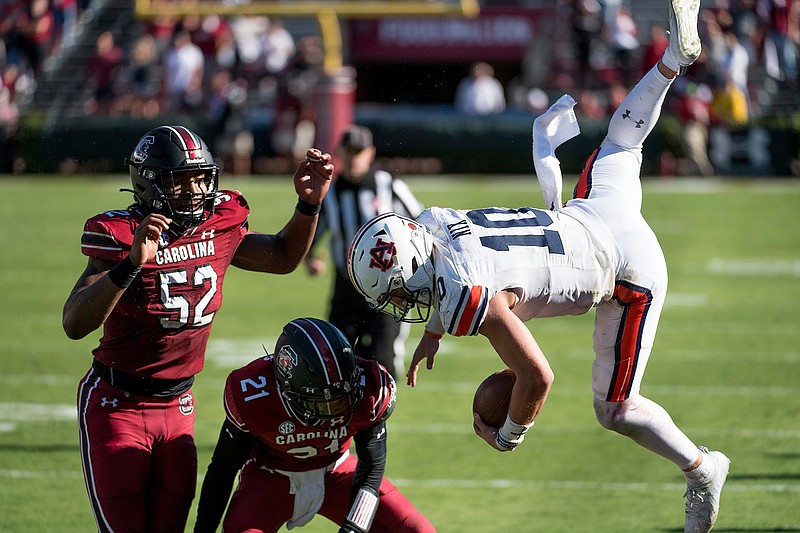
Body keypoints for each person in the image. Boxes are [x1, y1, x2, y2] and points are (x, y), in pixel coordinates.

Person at [347, 2, 730, 532]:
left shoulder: (461, 294)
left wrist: (509, 434)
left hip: (626, 272)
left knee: (615, 409)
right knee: (623, 140)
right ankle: (670, 62)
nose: (404, 304)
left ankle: (702, 468)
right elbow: (457, 266)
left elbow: (537, 376)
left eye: (399, 292)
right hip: (594, 209)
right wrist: (434, 332)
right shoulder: (432, 222)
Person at [63, 125, 332, 532]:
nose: (193, 190)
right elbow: (74, 323)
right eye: (179, 181)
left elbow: (280, 256)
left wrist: (308, 206)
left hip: (179, 405)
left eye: (199, 178)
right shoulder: (121, 234)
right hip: (116, 403)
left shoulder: (220, 220)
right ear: (149, 183)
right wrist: (130, 263)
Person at [193, 318, 436, 533]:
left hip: (338, 471)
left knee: (419, 529)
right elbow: (222, 470)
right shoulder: (254, 397)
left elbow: (371, 469)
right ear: (287, 391)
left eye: (342, 399)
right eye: (322, 405)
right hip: (270, 478)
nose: (335, 412)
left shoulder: (370, 387)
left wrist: (354, 528)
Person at [305, 125, 423, 378]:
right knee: (338, 362)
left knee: (383, 361)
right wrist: (310, 258)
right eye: (348, 151)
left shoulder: (390, 186)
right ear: (339, 154)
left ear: (371, 153)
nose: (353, 157)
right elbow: (312, 233)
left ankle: (379, 416)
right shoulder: (331, 193)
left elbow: (421, 225)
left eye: (359, 151)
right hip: (346, 288)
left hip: (389, 289)